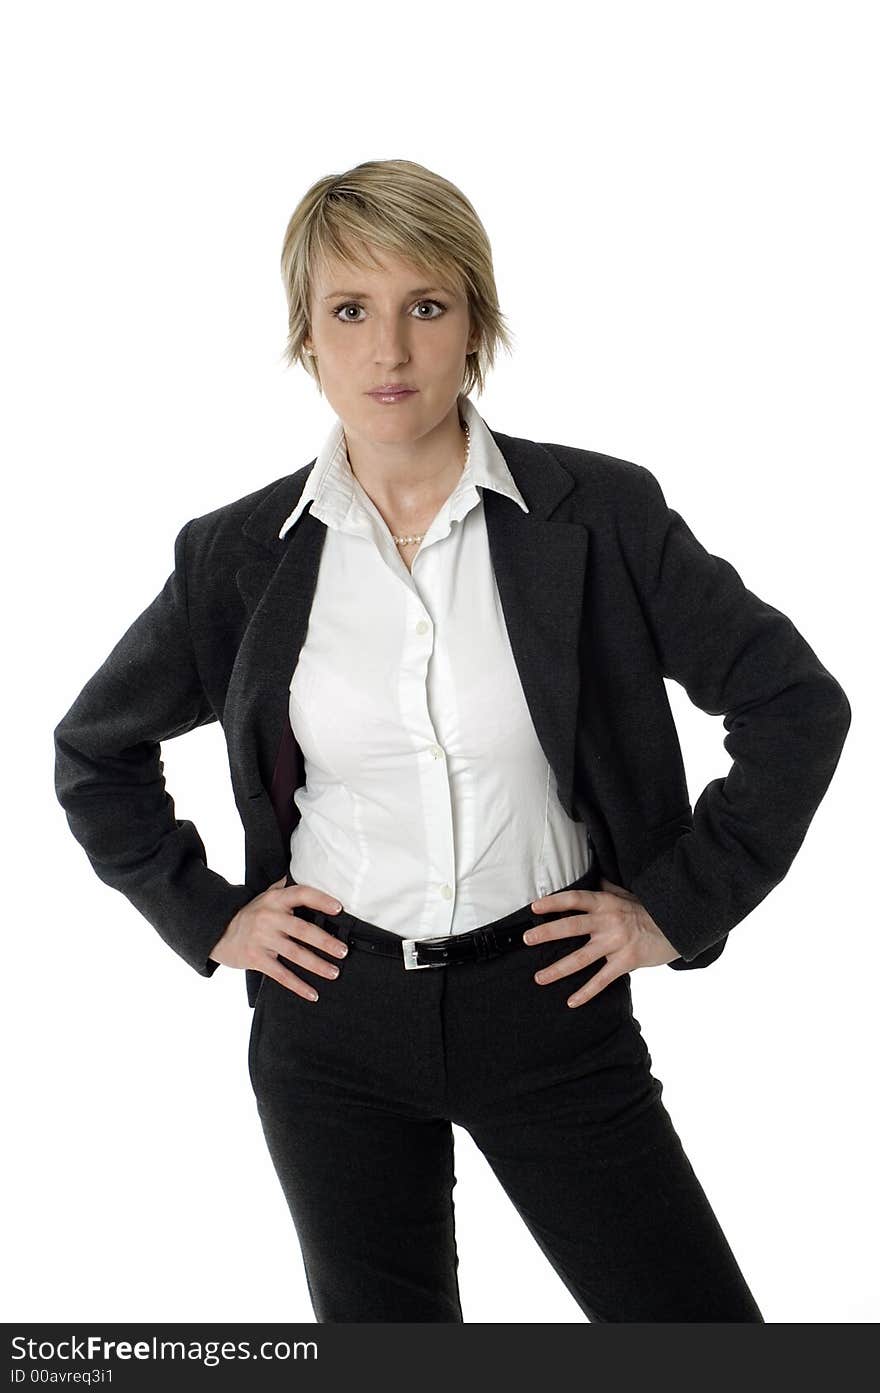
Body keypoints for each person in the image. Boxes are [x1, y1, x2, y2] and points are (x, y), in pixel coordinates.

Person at [53, 158, 851, 1323]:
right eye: (349, 312)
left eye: (425, 306)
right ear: (305, 336)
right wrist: (210, 912)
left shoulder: (599, 513)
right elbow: (96, 752)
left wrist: (677, 905)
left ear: (476, 321)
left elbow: (793, 703)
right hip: (329, 1020)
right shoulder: (238, 552)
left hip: (547, 999)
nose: (389, 353)